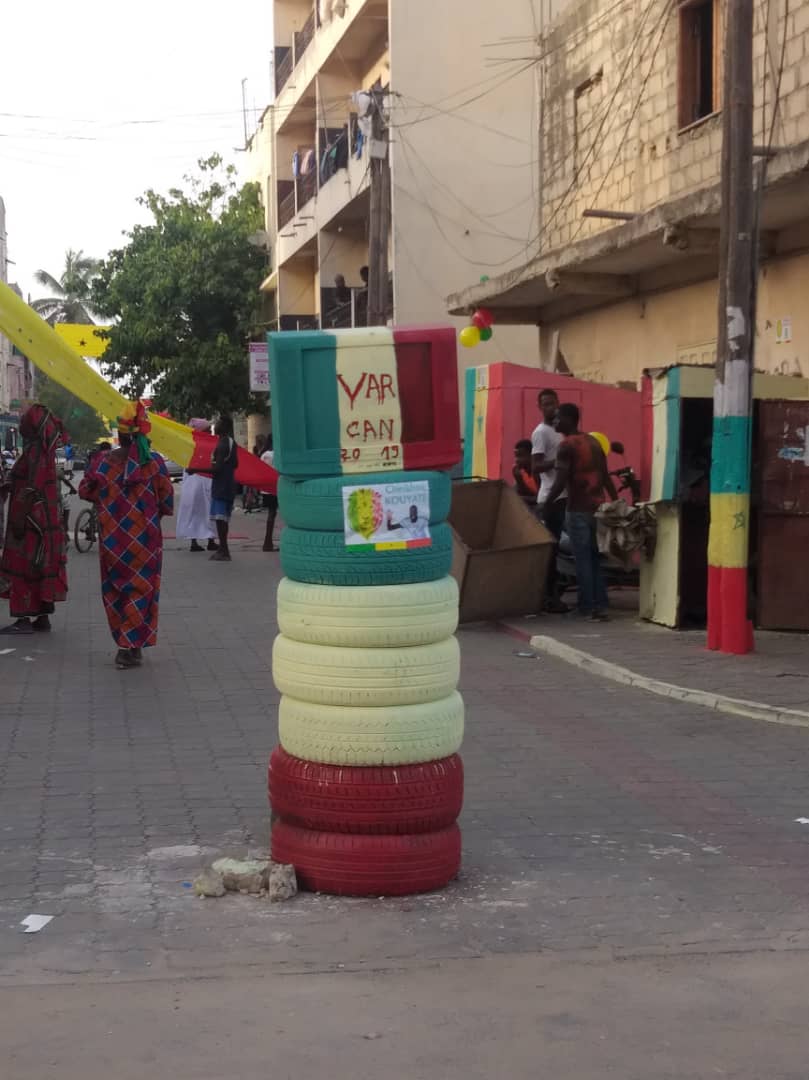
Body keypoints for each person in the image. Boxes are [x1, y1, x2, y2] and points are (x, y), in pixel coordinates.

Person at [79, 402, 174, 669]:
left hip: (112, 542)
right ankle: (128, 646)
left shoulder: (102, 463)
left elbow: (85, 491)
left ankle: (128, 644)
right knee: (142, 590)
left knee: (116, 589)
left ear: (118, 436)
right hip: (145, 541)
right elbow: (167, 502)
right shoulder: (153, 464)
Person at [543, 403, 617, 622]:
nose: (554, 422)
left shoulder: (567, 446)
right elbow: (605, 475)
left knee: (583, 559)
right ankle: (600, 604)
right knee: (595, 558)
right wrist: (614, 502)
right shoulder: (593, 442)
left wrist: (546, 503)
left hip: (577, 509)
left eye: (557, 418)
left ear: (568, 418)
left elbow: (560, 480)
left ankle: (587, 607)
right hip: (598, 508)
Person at [0, 404, 68, 635]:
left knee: (24, 565)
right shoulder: (41, 451)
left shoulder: (35, 452)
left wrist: (19, 515)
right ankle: (42, 616)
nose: (19, 427)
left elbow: (31, 487)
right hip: (45, 520)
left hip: (30, 520)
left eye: (23, 423)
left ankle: (23, 619)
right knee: (41, 564)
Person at [531, 388, 568, 613]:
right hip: (550, 497)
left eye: (552, 403)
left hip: (564, 496)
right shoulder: (541, 432)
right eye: (545, 404)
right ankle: (549, 598)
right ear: (539, 407)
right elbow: (536, 466)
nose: (549, 407)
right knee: (552, 551)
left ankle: (555, 595)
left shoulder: (560, 431)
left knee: (563, 550)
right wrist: (559, 462)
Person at [176, 419, 218, 553]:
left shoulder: (189, 443)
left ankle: (201, 541)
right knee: (205, 511)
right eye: (207, 430)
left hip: (195, 482)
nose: (210, 432)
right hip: (201, 481)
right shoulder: (202, 444)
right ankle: (208, 541)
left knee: (198, 512)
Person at [210, 415, 239, 562]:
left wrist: (195, 469)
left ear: (224, 427)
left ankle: (224, 550)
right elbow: (235, 464)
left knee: (220, 520)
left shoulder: (222, 445)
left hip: (221, 486)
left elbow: (217, 469)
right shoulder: (231, 443)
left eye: (218, 423)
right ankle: (222, 549)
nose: (215, 425)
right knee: (224, 520)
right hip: (229, 484)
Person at [260, 435, 278, 553]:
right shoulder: (274, 455)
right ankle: (268, 542)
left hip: (266, 488)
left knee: (271, 513)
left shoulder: (264, 454)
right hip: (275, 487)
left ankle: (268, 542)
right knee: (272, 513)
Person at [512, 439, 538, 505]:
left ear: (531, 456)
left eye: (520, 456)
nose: (516, 460)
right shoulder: (520, 473)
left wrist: (523, 498)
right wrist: (519, 481)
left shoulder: (539, 472)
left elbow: (540, 499)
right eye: (516, 456)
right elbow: (520, 493)